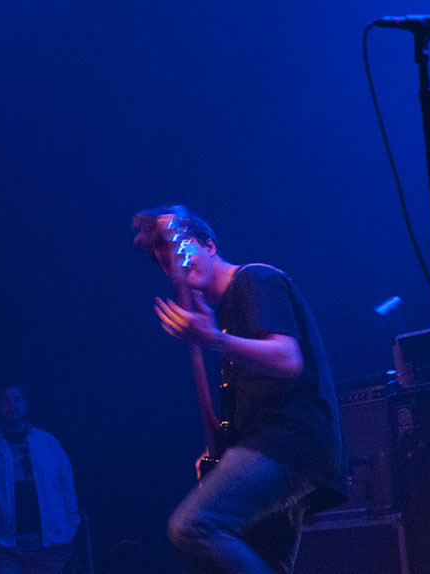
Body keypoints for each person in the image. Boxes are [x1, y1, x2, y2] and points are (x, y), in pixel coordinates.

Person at [131, 205, 346, 574]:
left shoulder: (255, 279)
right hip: (279, 447)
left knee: (191, 526)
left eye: (182, 250)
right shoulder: (225, 312)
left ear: (210, 246)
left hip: (288, 445)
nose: (177, 265)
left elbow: (287, 359)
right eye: (167, 264)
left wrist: (214, 340)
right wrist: (220, 452)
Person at [0, 386, 80, 574]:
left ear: (26, 403)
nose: (11, 405)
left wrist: (70, 529)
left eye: (17, 399)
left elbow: (66, 487)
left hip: (48, 547)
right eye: (5, 400)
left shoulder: (48, 442)